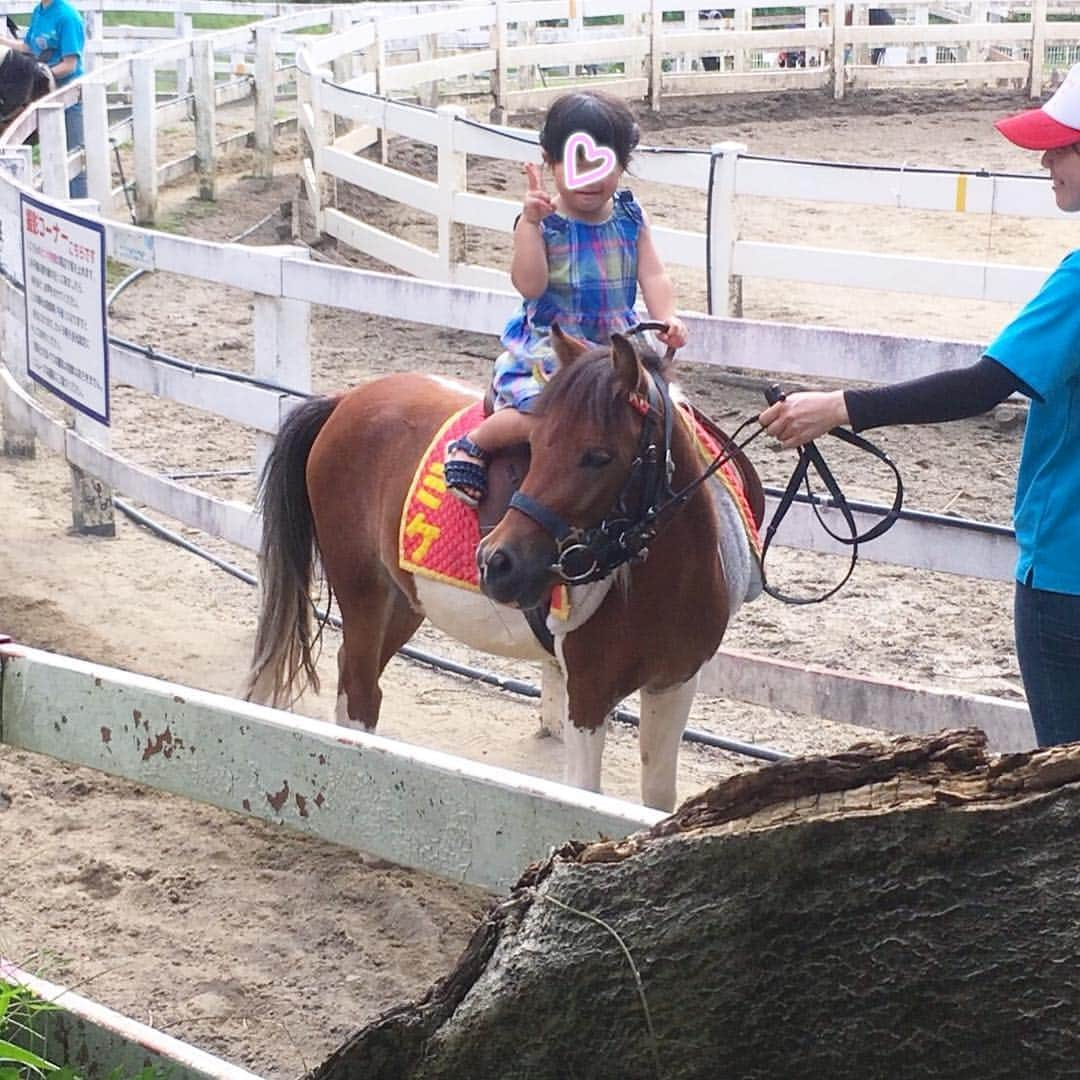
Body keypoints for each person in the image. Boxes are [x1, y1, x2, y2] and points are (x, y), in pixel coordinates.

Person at [759, 62, 1080, 748]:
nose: (1048, 160)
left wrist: (841, 407)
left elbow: (985, 384)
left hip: (1066, 577)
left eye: (1064, 146)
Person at [444, 90, 689, 507]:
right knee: (543, 415)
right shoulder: (545, 222)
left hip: (617, 348)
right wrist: (530, 227)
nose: (590, 178)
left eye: (602, 164)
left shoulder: (630, 215)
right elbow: (530, 285)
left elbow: (653, 272)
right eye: (576, 163)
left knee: (668, 413)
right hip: (557, 350)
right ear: (550, 160)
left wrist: (667, 317)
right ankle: (475, 442)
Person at [0, 0, 86, 197]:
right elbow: (28, 46)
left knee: (73, 155)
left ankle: (78, 208)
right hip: (44, 94)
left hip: (67, 93)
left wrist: (40, 74)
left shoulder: (68, 17)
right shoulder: (39, 11)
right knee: (51, 153)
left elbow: (70, 65)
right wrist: (3, 42)